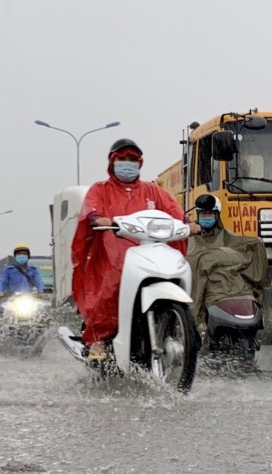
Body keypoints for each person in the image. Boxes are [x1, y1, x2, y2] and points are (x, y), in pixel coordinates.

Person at [71, 138, 199, 359]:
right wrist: (97, 218)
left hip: (150, 251)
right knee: (111, 283)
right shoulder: (101, 189)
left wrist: (188, 223)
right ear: (112, 162)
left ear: (140, 163)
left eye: (132, 159)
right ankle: (99, 339)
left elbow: (174, 210)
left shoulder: (152, 190)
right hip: (113, 254)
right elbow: (91, 209)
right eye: (122, 159)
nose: (127, 163)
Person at [186, 193, 268, 336]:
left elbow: (252, 246)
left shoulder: (229, 238)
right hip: (213, 295)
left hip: (235, 292)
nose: (207, 216)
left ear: (217, 214)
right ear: (198, 214)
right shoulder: (189, 240)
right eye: (203, 213)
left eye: (210, 213)